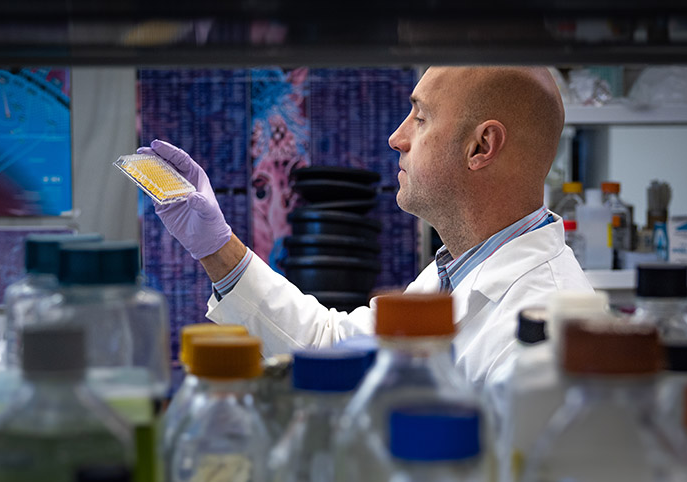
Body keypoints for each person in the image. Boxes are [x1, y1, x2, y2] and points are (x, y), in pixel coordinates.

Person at [141, 66, 593, 387]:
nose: (397, 137)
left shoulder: (547, 331)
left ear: (481, 146)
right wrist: (217, 248)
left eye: (420, 117)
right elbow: (332, 346)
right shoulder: (457, 271)